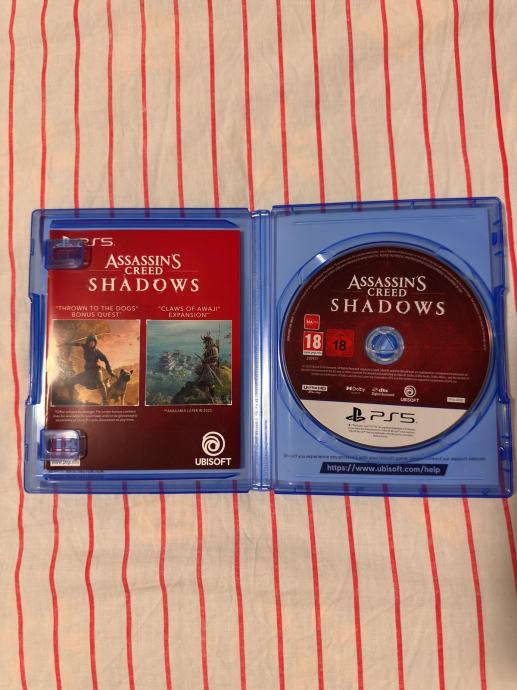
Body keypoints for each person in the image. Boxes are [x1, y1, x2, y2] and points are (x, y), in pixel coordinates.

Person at [66, 334, 114, 404]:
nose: (92, 343)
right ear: (87, 342)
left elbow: (105, 360)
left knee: (100, 383)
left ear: (95, 342)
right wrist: (69, 343)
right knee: (71, 381)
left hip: (96, 370)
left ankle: (105, 401)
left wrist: (110, 371)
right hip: (88, 372)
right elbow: (77, 344)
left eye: (93, 342)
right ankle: (71, 401)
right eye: (90, 342)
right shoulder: (85, 346)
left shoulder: (97, 351)